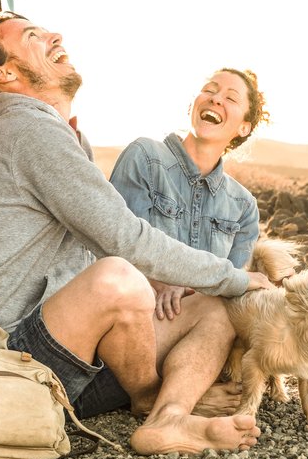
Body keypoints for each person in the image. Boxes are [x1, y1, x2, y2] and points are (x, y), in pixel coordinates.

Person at [0, 11, 272, 455]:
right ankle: (151, 396)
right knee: (118, 276)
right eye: (33, 36)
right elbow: (124, 240)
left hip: (64, 356)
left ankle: (167, 418)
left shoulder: (60, 134)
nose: (54, 34)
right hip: (5, 361)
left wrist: (207, 286)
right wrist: (232, 276)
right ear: (5, 73)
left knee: (216, 308)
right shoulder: (25, 128)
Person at [109, 68, 273, 321]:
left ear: (244, 127)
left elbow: (234, 286)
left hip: (201, 322)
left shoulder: (243, 206)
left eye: (231, 98)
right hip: (135, 313)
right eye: (209, 90)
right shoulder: (144, 157)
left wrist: (188, 287)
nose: (215, 99)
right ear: (191, 107)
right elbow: (121, 249)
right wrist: (163, 283)